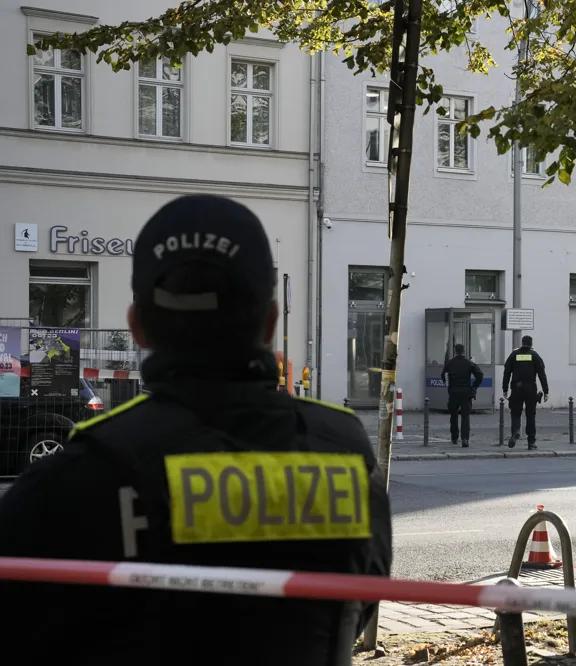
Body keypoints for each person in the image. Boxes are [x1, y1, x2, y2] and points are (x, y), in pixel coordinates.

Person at [0, 194, 392, 666]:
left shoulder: (72, 480)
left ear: (137, 327)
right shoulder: (346, 450)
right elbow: (362, 601)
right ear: (269, 323)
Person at [502, 335, 549, 450]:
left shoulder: (514, 355)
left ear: (522, 343)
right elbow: (542, 374)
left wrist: (505, 389)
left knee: (515, 413)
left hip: (517, 388)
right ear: (531, 344)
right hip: (530, 388)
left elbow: (507, 372)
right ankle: (531, 442)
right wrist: (546, 391)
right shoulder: (535, 355)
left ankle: (516, 431)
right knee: (530, 415)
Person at [441, 343, 483, 447]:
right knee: (465, 416)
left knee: (453, 415)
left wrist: (449, 385)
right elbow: (480, 375)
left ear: (455, 351)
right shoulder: (469, 363)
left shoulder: (450, 363)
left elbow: (443, 375)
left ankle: (454, 437)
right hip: (466, 392)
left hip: (454, 392)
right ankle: (465, 439)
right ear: (464, 351)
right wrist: (474, 387)